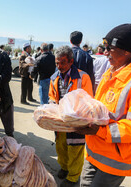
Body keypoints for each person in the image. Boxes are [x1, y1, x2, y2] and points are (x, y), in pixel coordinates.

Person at [75, 24, 131, 187]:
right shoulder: (111, 72)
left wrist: (99, 130)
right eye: (104, 47)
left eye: (110, 48)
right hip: (95, 149)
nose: (105, 52)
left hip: (116, 157)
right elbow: (100, 108)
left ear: (126, 51)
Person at [49, 45, 93, 186]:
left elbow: (88, 100)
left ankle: (73, 177)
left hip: (77, 121)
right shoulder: (54, 77)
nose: (59, 66)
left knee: (75, 148)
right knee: (61, 147)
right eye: (57, 63)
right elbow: (52, 97)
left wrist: (75, 114)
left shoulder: (83, 77)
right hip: (61, 121)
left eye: (62, 62)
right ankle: (64, 167)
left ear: (71, 62)